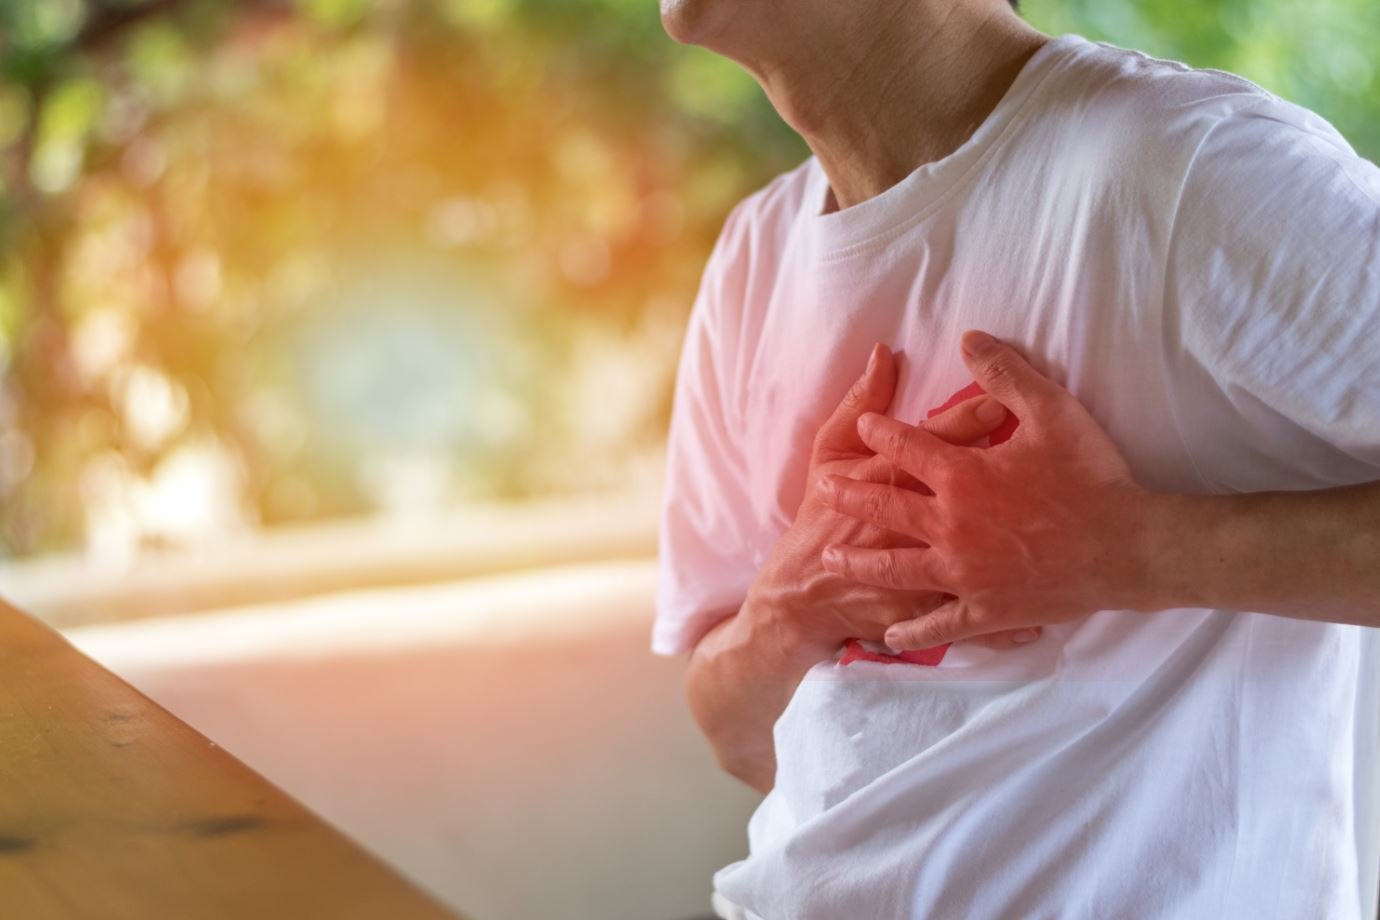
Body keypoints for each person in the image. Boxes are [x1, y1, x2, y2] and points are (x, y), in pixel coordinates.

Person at [650, 0, 1380, 917]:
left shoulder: (1191, 169)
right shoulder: (752, 256)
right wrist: (794, 604)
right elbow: (738, 738)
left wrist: (1139, 551)